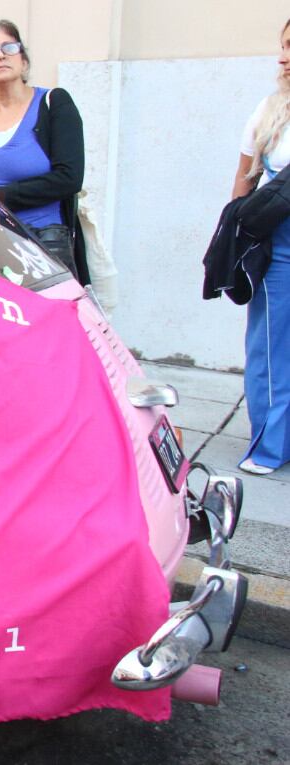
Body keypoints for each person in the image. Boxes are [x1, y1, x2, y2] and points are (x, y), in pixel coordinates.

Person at [0, 20, 86, 281]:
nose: (0, 55)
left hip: (45, 248)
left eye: (9, 47)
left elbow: (69, 178)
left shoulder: (54, 103)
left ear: (23, 61)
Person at [231, 18, 290, 476]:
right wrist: (234, 238)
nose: (282, 57)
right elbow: (244, 181)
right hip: (280, 242)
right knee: (270, 347)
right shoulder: (270, 110)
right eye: (283, 46)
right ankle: (270, 445)